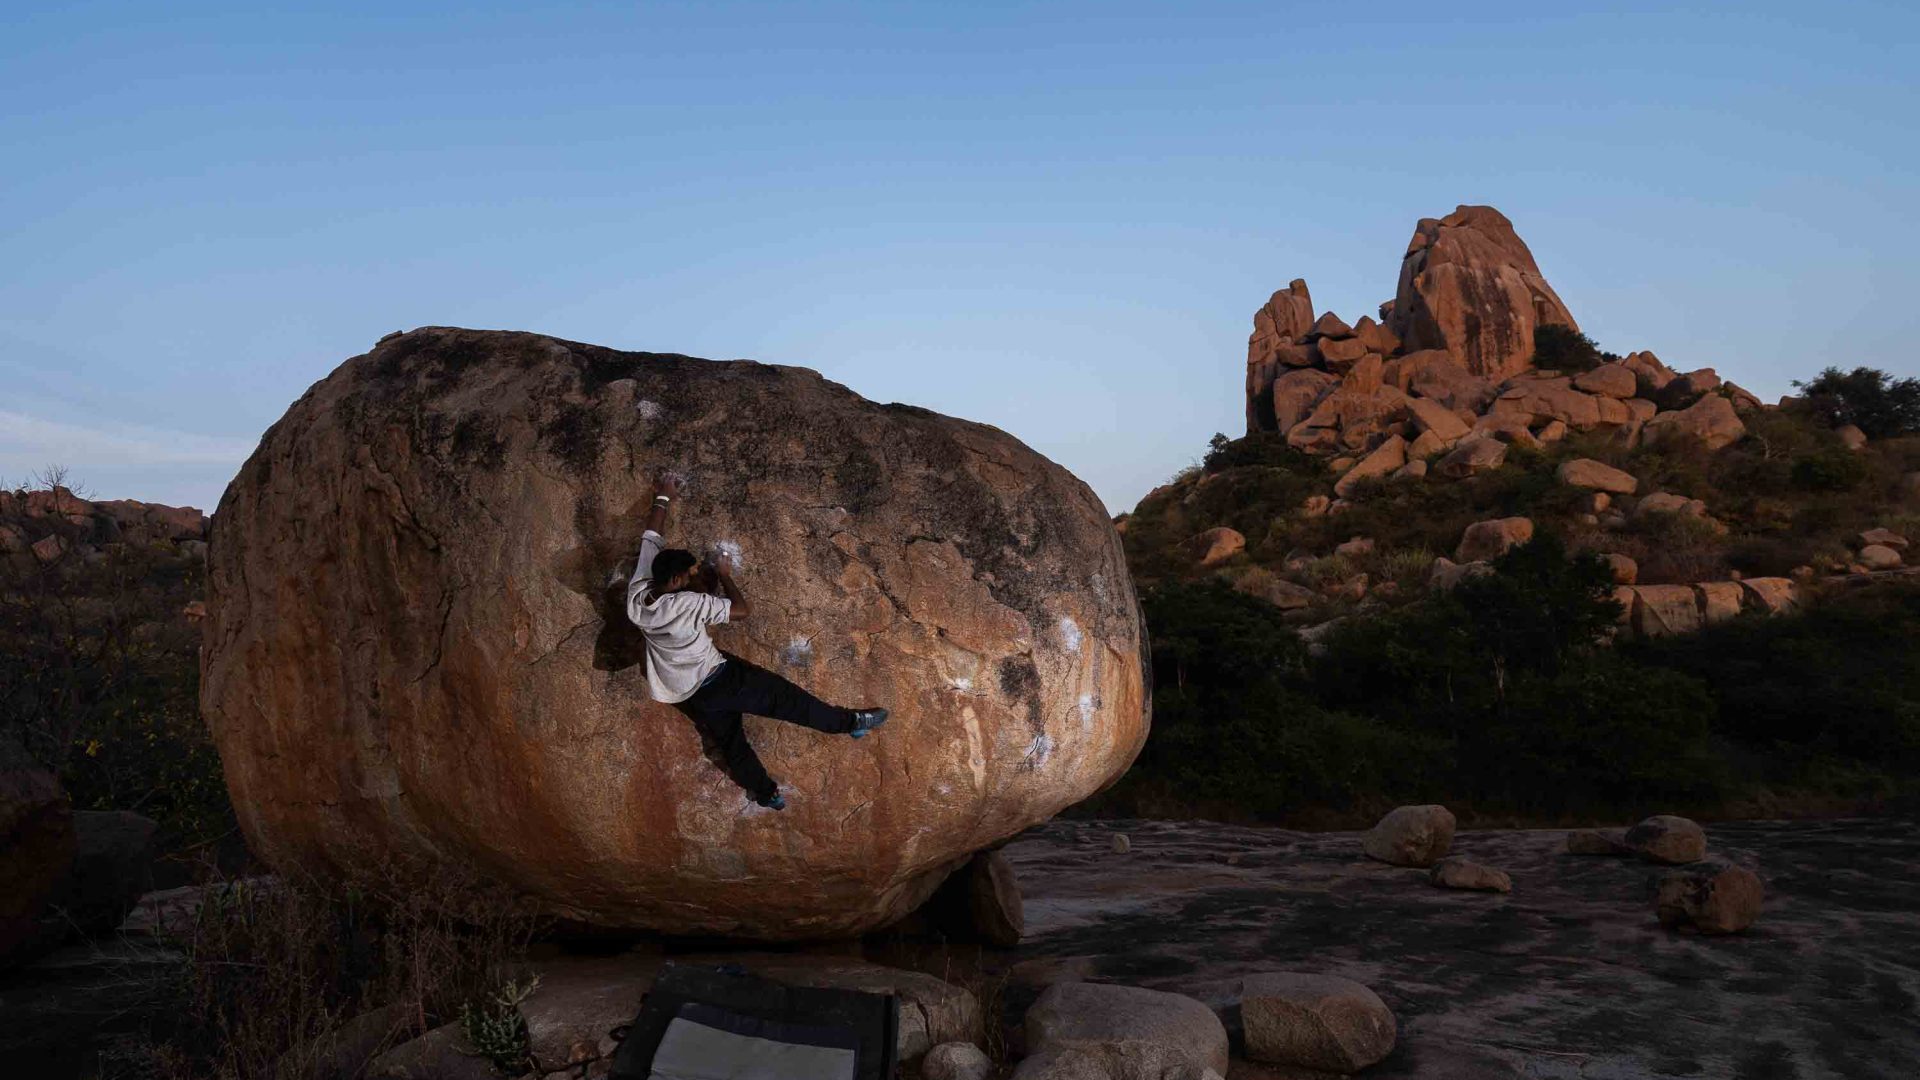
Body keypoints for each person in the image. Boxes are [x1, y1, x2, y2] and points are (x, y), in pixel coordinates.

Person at [625, 474, 888, 810]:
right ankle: (850, 724)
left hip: (690, 692)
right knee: (788, 700)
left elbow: (652, 536)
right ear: (675, 580)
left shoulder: (639, 592)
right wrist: (724, 576)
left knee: (733, 745)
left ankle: (766, 794)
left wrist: (663, 496)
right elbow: (742, 610)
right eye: (689, 575)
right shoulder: (686, 603)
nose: (694, 576)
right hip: (722, 679)